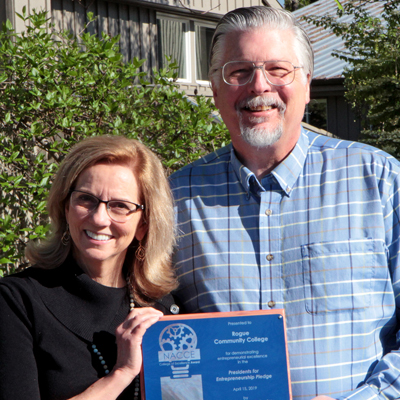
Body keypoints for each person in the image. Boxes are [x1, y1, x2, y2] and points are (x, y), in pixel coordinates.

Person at [170, 6, 400, 400]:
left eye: (278, 69)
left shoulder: (379, 180)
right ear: (215, 89)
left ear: (307, 85)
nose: (259, 86)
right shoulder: (176, 199)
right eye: (238, 71)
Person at [0, 135, 180, 400]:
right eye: (86, 199)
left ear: (143, 225)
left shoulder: (161, 310)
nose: (98, 218)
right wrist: (122, 373)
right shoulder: (17, 302)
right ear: (66, 207)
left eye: (120, 206)